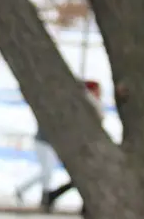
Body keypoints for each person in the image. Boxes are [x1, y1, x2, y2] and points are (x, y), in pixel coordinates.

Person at [44, 80, 103, 215]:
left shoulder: (87, 102)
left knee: (85, 178)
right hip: (87, 147)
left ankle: (55, 195)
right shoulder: (90, 103)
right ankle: (57, 196)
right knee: (87, 178)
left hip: (87, 146)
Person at [14, 121, 58, 211]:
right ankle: (21, 189)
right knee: (46, 171)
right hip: (42, 142)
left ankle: (45, 198)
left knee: (48, 173)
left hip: (52, 143)